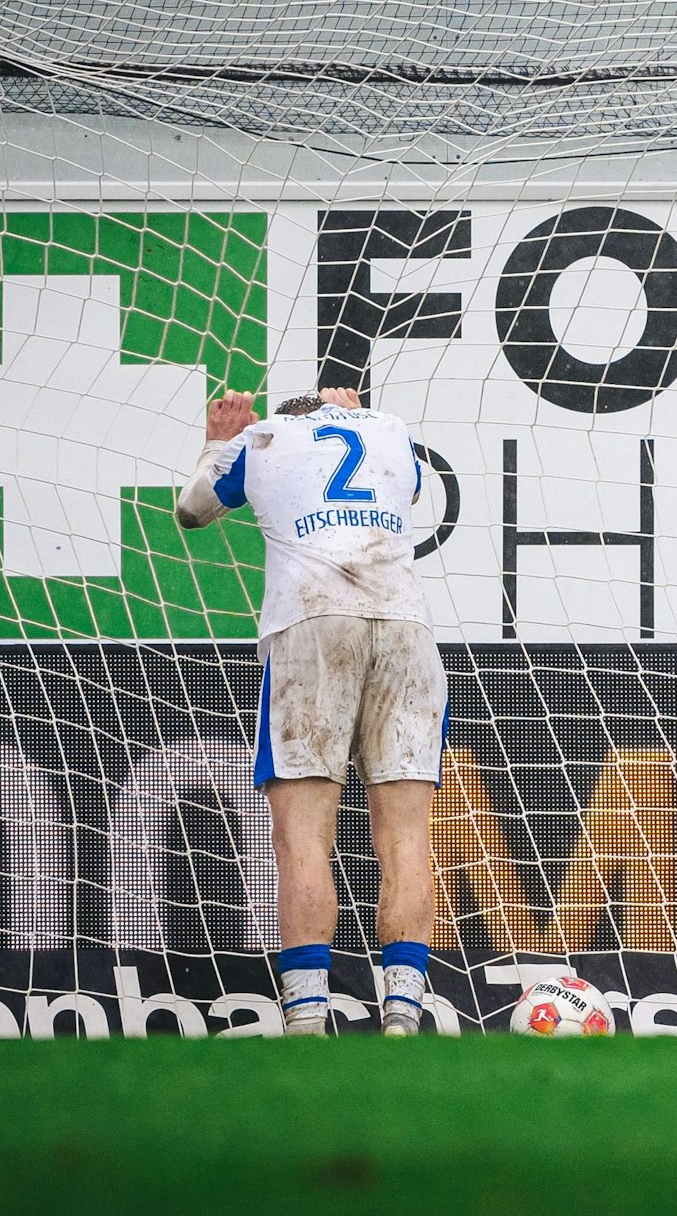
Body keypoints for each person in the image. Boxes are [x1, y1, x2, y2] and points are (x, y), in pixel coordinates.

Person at [176, 387, 445, 1037]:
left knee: (301, 838)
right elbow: (409, 490)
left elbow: (191, 511)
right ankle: (403, 1016)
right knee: (406, 839)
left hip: (311, 626)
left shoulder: (261, 437)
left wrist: (218, 443)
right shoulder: (389, 428)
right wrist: (350, 414)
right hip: (405, 629)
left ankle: (305, 1017)